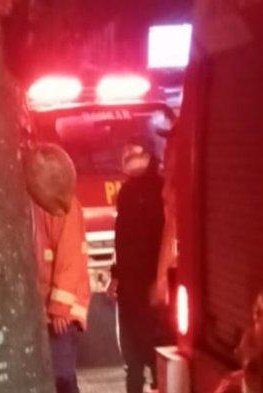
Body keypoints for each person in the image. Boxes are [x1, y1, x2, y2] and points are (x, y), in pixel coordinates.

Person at [108, 133, 170, 393]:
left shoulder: (159, 189)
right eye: (125, 157)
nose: (128, 161)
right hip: (131, 286)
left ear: (148, 155)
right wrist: (116, 275)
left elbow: (162, 237)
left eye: (133, 155)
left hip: (149, 285)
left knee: (156, 352)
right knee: (132, 356)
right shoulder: (127, 192)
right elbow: (122, 240)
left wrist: (161, 278)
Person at [26, 143, 91, 393]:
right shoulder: (42, 199)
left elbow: (71, 256)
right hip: (48, 310)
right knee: (56, 378)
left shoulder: (62, 204)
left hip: (61, 315)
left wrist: (60, 307)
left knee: (62, 377)